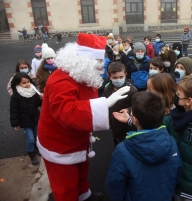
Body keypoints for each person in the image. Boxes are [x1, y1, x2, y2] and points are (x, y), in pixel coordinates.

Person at [37, 33, 130, 201]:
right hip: (60, 143)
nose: (102, 66)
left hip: (76, 137)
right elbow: (66, 111)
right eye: (99, 62)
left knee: (81, 169)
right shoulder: (61, 80)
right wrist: (105, 104)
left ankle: (83, 194)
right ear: (85, 60)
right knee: (66, 184)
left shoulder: (81, 74)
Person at [105, 91, 182, 201]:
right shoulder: (171, 141)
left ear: (134, 119)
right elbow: (178, 171)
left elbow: (114, 184)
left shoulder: (122, 150)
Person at [10, 72, 42, 165]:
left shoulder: (33, 91)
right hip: (25, 120)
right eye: (24, 83)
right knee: (30, 138)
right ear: (17, 84)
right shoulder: (16, 96)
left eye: (28, 81)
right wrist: (15, 123)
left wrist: (41, 98)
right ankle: (31, 154)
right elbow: (14, 110)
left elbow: (39, 104)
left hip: (35, 118)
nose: (27, 84)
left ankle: (37, 148)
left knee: (37, 136)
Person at [102, 62, 137, 146]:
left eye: (121, 77)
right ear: (109, 76)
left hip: (127, 125)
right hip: (114, 122)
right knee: (116, 141)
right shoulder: (107, 89)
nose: (118, 80)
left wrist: (128, 109)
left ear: (126, 74)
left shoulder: (132, 90)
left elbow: (137, 106)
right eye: (115, 77)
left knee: (128, 144)